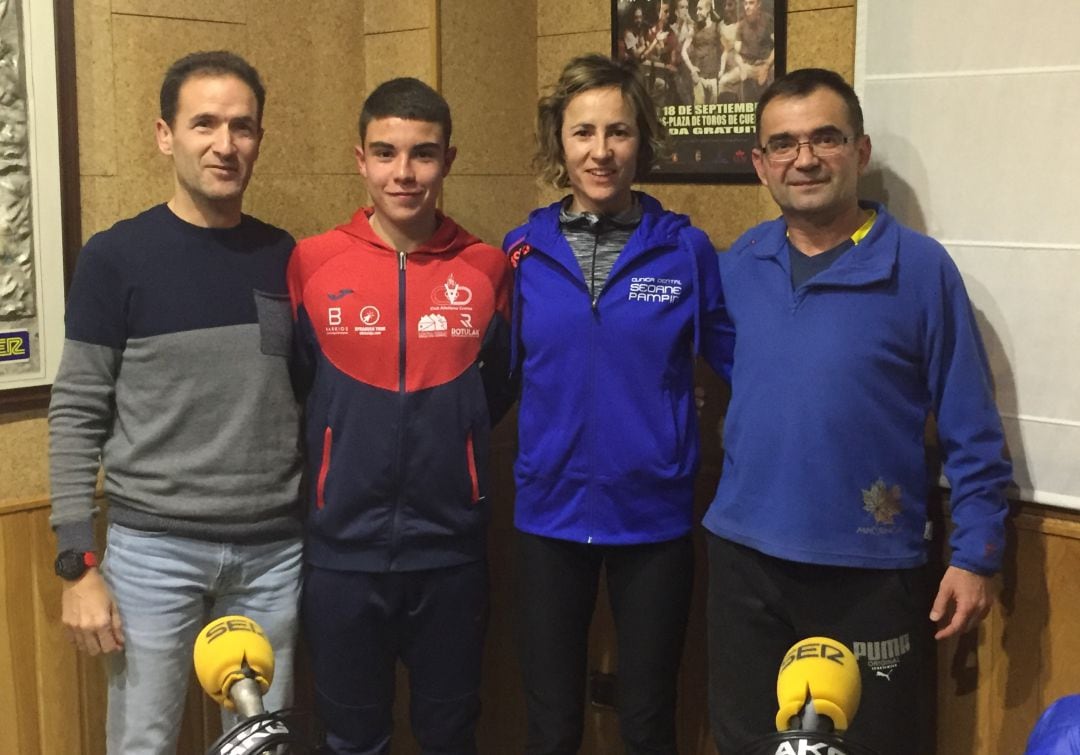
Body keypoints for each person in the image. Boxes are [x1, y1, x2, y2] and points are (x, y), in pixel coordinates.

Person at [702, 68, 1012, 755]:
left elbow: (970, 425)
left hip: (870, 568)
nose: (804, 159)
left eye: (826, 138)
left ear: (860, 151)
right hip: (745, 563)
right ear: (760, 163)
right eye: (783, 144)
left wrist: (977, 554)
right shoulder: (739, 265)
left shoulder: (922, 269)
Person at [48, 50, 303, 754]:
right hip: (152, 553)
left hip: (273, 554)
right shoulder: (115, 257)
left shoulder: (286, 256)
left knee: (262, 747)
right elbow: (76, 412)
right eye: (205, 124)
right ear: (166, 135)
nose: (226, 144)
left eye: (242, 126)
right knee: (144, 743)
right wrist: (77, 564)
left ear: (259, 138)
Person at [503, 54, 733, 754]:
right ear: (559, 141)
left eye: (618, 131)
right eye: (583, 132)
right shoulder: (520, 252)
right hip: (548, 514)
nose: (600, 151)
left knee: (648, 718)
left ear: (642, 141)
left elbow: (739, 362)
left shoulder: (687, 252)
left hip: (652, 515)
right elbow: (498, 372)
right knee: (551, 723)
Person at [287, 77, 513, 754]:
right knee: (352, 739)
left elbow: (498, 388)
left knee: (450, 735)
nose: (404, 172)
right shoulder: (312, 262)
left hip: (451, 554)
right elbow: (300, 384)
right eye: (386, 152)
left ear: (449, 160)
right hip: (342, 555)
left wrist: (454, 449)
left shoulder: (487, 268)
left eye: (423, 153)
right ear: (361, 159)